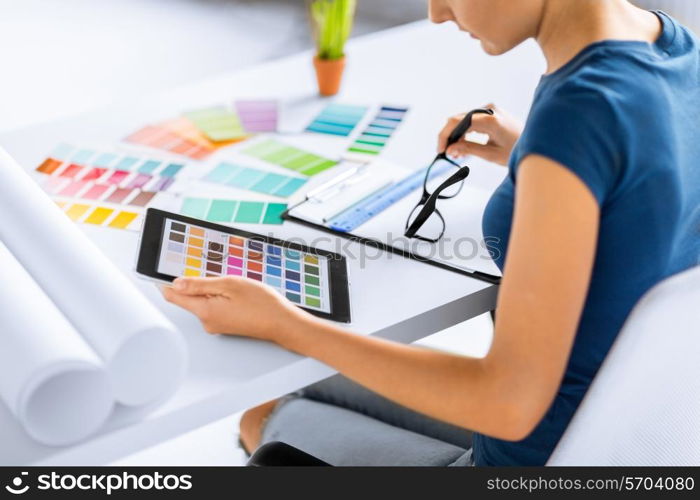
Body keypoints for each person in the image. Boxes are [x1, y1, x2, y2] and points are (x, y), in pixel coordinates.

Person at [163, 0, 700, 466]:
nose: (436, 13)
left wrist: (285, 324)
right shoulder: (674, 43)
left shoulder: (578, 114)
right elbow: (653, 200)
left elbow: (507, 404)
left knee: (265, 407)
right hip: (626, 439)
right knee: (304, 383)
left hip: (531, 452)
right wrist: (535, 159)